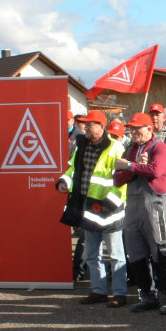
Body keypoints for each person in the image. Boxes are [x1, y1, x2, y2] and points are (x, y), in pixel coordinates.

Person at [113, 112, 166, 315]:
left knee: (161, 252)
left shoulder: (160, 147)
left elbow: (155, 170)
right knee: (136, 256)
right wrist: (134, 167)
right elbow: (117, 179)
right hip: (133, 208)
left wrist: (131, 166)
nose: (133, 132)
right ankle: (147, 296)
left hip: (155, 207)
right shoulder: (131, 150)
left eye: (138, 128)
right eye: (131, 129)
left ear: (150, 129)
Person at [58, 110, 127, 307]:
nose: (86, 127)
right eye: (85, 124)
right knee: (92, 254)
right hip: (88, 208)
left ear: (101, 127)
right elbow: (73, 169)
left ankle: (120, 293)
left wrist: (109, 204)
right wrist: (64, 181)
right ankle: (98, 291)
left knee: (116, 255)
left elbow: (122, 181)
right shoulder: (82, 146)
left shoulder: (116, 148)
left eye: (90, 124)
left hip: (109, 211)